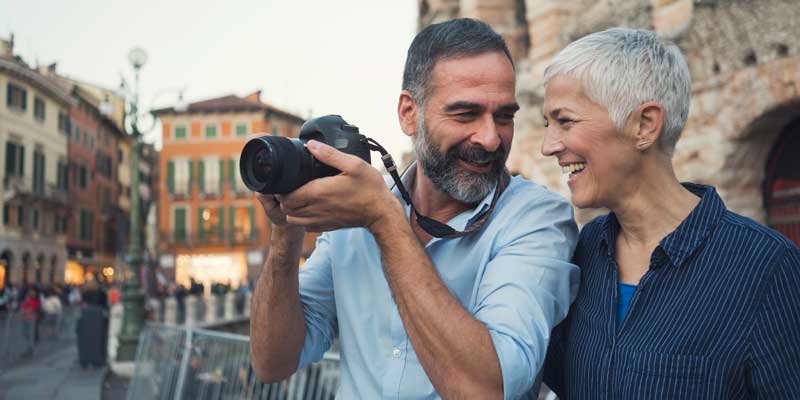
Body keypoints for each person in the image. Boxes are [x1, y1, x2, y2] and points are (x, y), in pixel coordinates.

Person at [250, 18, 579, 399]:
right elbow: (271, 361)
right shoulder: (354, 213)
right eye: (465, 114)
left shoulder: (536, 219)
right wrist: (285, 233)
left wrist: (384, 221)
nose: (490, 139)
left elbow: (486, 390)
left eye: (504, 116)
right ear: (409, 113)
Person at [540, 28, 800, 399]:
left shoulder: (767, 268)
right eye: (547, 124)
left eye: (565, 121)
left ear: (645, 124)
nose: (549, 146)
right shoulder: (584, 251)